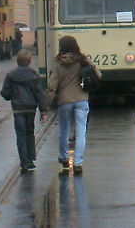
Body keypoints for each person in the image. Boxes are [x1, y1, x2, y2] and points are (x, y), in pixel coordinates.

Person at [45, 36, 100, 174]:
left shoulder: (57, 62)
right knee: (81, 132)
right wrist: (90, 63)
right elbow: (98, 75)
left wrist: (45, 105)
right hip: (82, 100)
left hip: (64, 101)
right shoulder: (81, 60)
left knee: (64, 130)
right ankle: (78, 163)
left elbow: (52, 85)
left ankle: (64, 157)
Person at [0, 49, 47, 173]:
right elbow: (40, 94)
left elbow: (5, 93)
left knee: (21, 134)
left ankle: (24, 161)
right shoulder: (34, 75)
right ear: (29, 61)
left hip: (18, 108)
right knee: (30, 132)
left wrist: (12, 96)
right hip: (31, 108)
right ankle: (31, 159)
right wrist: (43, 111)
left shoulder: (11, 75)